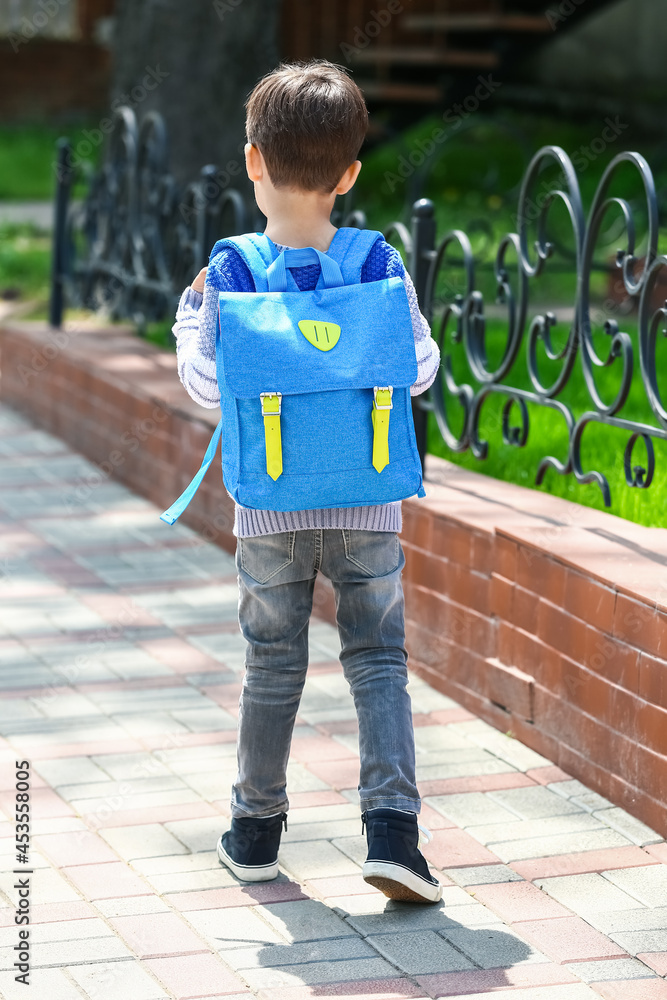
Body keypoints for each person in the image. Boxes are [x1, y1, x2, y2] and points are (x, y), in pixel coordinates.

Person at [172, 60, 442, 903]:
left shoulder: (230, 273)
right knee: (378, 661)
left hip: (270, 513)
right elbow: (421, 370)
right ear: (350, 174)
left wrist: (191, 325)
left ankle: (254, 834)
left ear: (253, 160)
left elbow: (210, 389)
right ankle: (394, 833)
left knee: (272, 666)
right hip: (369, 505)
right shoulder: (379, 266)